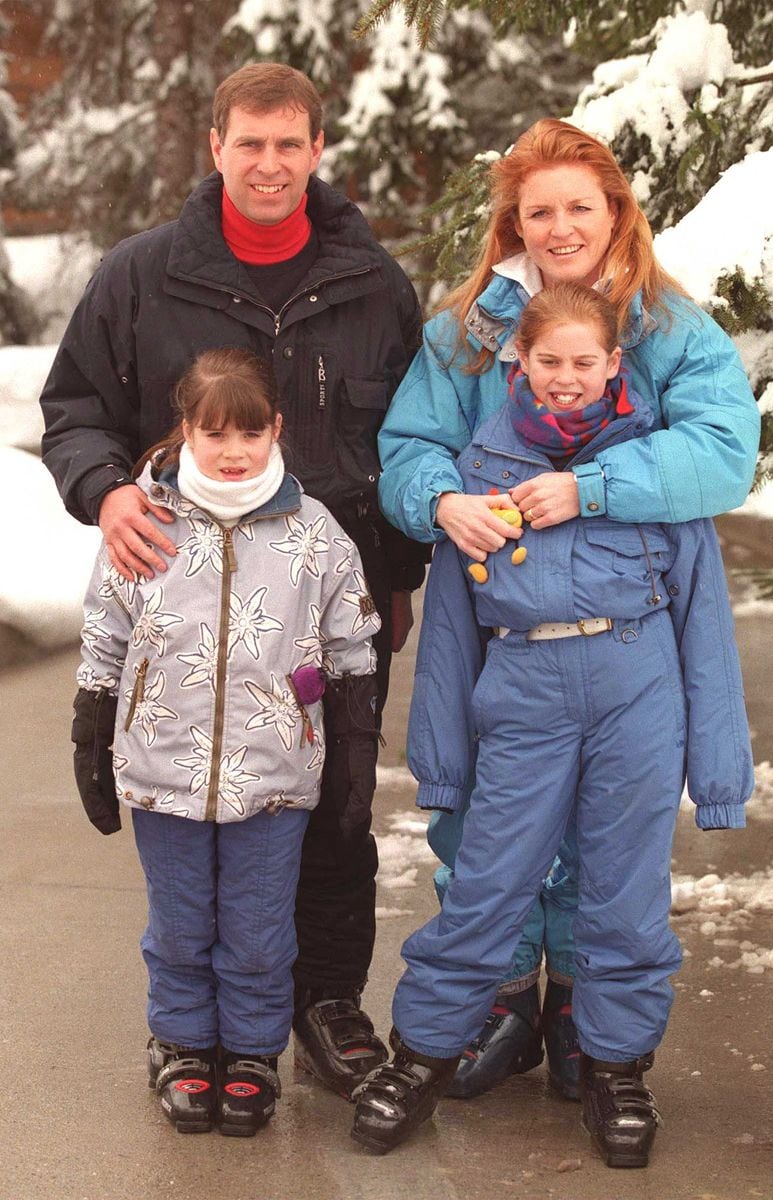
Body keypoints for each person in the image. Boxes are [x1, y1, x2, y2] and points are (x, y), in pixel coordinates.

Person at [40, 62, 427, 1099]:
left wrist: (396, 572)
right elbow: (74, 408)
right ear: (215, 148)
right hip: (182, 599)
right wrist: (108, 492)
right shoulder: (143, 274)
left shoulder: (373, 282)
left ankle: (324, 1002)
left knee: (335, 806)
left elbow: (414, 435)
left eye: (288, 145)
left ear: (317, 152)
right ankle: (194, 1027)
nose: (269, 164)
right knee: (201, 833)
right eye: (249, 143)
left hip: (322, 597)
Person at [375, 117, 760, 1101]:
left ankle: (587, 1007)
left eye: (577, 207)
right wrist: (440, 499)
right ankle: (501, 995)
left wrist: (596, 488)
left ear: (616, 212)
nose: (557, 227)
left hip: (622, 618)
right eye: (536, 210)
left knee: (608, 841)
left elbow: (722, 452)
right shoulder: (468, 331)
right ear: (513, 221)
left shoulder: (668, 326)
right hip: (503, 620)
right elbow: (411, 445)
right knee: (489, 833)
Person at [71, 347, 382, 1135]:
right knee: (179, 925)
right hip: (161, 769)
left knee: (256, 928)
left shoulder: (312, 533)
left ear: (277, 428)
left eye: (251, 433)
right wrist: (94, 724)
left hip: (274, 777)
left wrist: (350, 746)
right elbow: (107, 631)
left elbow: (351, 645)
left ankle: (249, 1053)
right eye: (216, 434)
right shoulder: (145, 520)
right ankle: (180, 1045)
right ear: (186, 432)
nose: (235, 451)